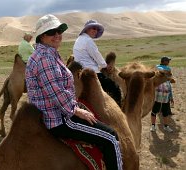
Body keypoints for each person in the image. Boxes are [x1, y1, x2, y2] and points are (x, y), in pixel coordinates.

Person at [25, 14, 122, 170]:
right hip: (58, 118)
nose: (57, 35)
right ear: (42, 37)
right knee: (110, 137)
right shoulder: (45, 58)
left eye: (59, 31)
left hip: (56, 110)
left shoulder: (49, 53)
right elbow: (56, 91)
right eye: (51, 32)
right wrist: (76, 110)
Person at [73, 20, 122, 107]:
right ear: (87, 29)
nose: (95, 31)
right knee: (115, 88)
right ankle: (118, 112)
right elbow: (97, 56)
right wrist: (105, 65)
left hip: (80, 72)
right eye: (93, 28)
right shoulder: (88, 41)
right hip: (91, 72)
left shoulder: (78, 40)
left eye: (96, 29)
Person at [150, 56, 175, 132]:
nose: (168, 62)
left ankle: (165, 126)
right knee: (156, 110)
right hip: (158, 93)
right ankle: (154, 126)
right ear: (164, 61)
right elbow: (168, 78)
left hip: (165, 94)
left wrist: (171, 96)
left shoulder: (156, 67)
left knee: (165, 111)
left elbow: (169, 83)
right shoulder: (158, 68)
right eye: (168, 61)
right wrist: (167, 74)